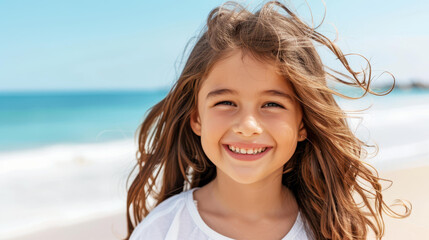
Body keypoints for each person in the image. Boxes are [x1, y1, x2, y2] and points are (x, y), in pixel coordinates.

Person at [124, 1, 411, 239]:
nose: (247, 126)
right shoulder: (164, 229)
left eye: (272, 104)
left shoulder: (329, 229)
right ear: (197, 118)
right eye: (226, 103)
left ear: (303, 124)